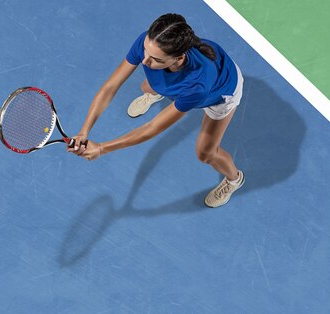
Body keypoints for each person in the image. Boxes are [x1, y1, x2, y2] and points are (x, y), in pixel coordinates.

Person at [68, 13, 245, 208]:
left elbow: (152, 127)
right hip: (180, 83)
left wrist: (102, 148)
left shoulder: (198, 84)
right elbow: (111, 86)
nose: (144, 61)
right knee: (147, 87)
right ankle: (155, 93)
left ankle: (234, 180)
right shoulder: (149, 44)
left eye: (155, 59)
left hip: (221, 93)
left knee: (205, 153)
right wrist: (85, 130)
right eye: (145, 50)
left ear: (179, 58)